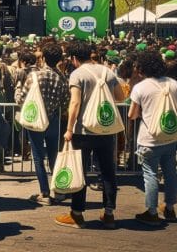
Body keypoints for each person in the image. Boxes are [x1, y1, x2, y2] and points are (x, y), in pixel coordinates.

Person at [54, 41, 125, 230]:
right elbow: (120, 97)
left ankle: (77, 214)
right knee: (108, 172)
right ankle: (109, 214)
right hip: (106, 129)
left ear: (74, 58)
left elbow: (75, 103)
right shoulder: (107, 72)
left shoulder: (77, 74)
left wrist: (69, 129)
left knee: (80, 172)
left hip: (83, 130)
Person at [128, 51, 177, 225]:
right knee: (170, 173)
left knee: (150, 174)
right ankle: (170, 208)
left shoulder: (141, 87)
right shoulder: (173, 84)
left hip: (149, 138)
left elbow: (132, 114)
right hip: (170, 137)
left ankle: (152, 212)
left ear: (142, 68)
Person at [15, 43, 70, 206]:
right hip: (53, 119)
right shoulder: (62, 78)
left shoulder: (34, 76)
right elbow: (65, 101)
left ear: (43, 58)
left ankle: (44, 192)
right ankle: (59, 191)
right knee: (54, 156)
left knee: (38, 157)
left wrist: (18, 88)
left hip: (36, 120)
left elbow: (21, 99)